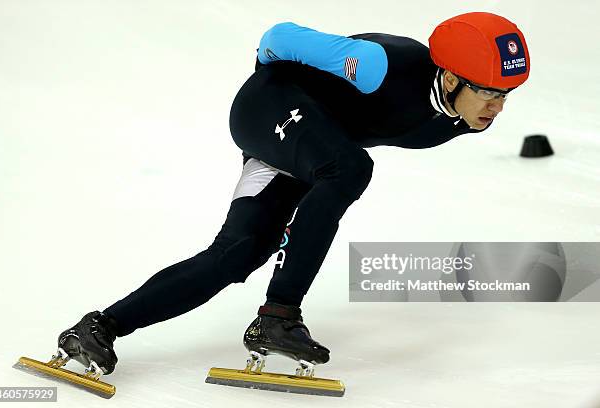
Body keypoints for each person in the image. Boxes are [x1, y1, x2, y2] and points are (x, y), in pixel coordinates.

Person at [55, 11, 530, 377]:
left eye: (506, 94)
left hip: (314, 147)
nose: (496, 107)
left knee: (239, 253)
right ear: (449, 78)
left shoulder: (462, 120)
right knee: (351, 166)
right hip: (269, 108)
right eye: (488, 92)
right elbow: (277, 38)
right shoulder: (380, 66)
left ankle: (99, 327)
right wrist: (271, 84)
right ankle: (280, 313)